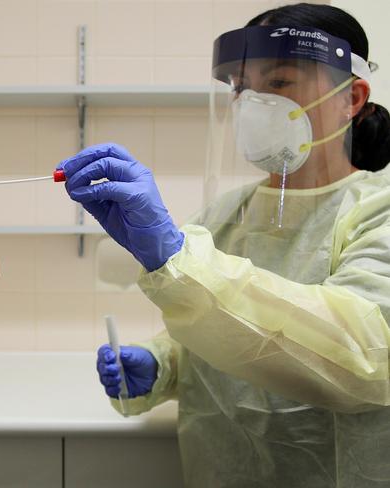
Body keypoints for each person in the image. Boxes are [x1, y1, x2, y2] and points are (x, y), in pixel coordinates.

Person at [58, 3, 390, 487]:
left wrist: (179, 261)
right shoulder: (224, 215)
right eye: (240, 88)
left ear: (352, 98)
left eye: (278, 84)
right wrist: (163, 363)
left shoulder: (378, 211)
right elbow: (220, 329)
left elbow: (363, 353)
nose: (253, 104)